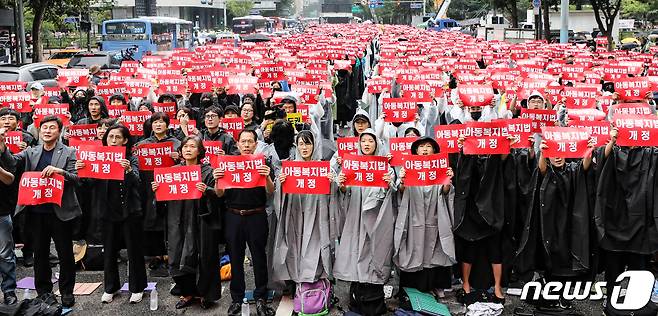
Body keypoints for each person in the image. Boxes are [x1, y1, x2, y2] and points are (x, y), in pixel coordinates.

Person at [0, 116, 80, 308]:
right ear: (39, 130)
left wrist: (59, 172)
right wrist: (2, 146)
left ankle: (67, 291)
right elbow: (12, 162)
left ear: (59, 132)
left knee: (65, 253)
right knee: (40, 254)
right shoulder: (31, 151)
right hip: (36, 211)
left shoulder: (69, 151)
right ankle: (44, 292)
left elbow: (76, 178)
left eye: (52, 128)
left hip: (60, 211)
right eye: (44, 127)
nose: (47, 131)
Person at [76, 124, 147, 304]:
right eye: (110, 137)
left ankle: (137, 288)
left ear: (125, 140)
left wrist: (129, 170)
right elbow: (87, 184)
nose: (113, 140)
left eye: (117, 137)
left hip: (130, 211)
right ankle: (110, 287)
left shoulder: (132, 159)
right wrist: (82, 171)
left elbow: (139, 183)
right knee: (109, 251)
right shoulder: (98, 158)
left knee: (134, 251)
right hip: (107, 211)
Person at [213, 129, 275, 316]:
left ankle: (261, 297)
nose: (247, 145)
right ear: (237, 144)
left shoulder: (262, 162)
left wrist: (267, 176)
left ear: (256, 144)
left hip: (256, 215)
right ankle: (236, 298)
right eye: (243, 142)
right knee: (236, 259)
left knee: (259, 258)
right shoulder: (228, 164)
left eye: (250, 142)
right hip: (233, 216)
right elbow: (219, 194)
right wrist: (217, 179)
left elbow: (271, 192)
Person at [334, 128, 395, 316]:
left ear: (377, 143)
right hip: (355, 219)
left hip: (376, 221)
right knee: (355, 255)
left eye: (370, 141)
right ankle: (357, 297)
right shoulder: (351, 165)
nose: (366, 144)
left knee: (373, 255)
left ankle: (373, 298)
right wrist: (342, 185)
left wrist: (388, 184)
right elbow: (343, 194)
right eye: (363, 141)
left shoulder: (385, 167)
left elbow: (392, 194)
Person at [154, 136, 221, 309]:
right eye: (185, 146)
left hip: (200, 220)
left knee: (203, 257)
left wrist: (208, 191)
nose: (188, 149)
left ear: (199, 151)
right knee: (176, 255)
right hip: (177, 219)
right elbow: (163, 200)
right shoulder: (173, 171)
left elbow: (219, 196)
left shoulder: (208, 171)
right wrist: (157, 191)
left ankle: (206, 294)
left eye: (192, 146)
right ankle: (187, 292)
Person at [394, 137, 455, 297]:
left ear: (435, 150)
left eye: (429, 146)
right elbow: (400, 191)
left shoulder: (440, 169)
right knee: (413, 251)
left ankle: (435, 286)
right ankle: (412, 289)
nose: (425, 149)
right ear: (415, 151)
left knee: (434, 253)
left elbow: (446, 192)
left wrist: (448, 181)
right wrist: (402, 180)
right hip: (413, 219)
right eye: (421, 146)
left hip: (435, 218)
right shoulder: (408, 168)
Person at [272, 130, 333, 284]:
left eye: (308, 143)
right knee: (295, 245)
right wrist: (281, 182)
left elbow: (335, 192)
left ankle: (315, 280)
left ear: (314, 145)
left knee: (315, 246)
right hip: (296, 213)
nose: (304, 148)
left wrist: (332, 182)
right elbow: (278, 193)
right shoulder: (290, 168)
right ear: (296, 146)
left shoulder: (322, 167)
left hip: (316, 214)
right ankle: (296, 281)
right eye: (301, 144)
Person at [135, 112, 181, 277]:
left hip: (170, 186)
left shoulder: (176, 144)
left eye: (162, 122)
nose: (158, 125)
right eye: (155, 122)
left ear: (168, 125)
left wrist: (178, 158)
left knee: (170, 219)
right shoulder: (143, 145)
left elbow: (187, 163)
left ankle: (171, 253)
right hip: (149, 186)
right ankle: (156, 254)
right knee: (152, 219)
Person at [0, 142, 16, 305]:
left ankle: (9, 290)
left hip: (1, 212)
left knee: (5, 254)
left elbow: (10, 179)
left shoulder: (5, 154)